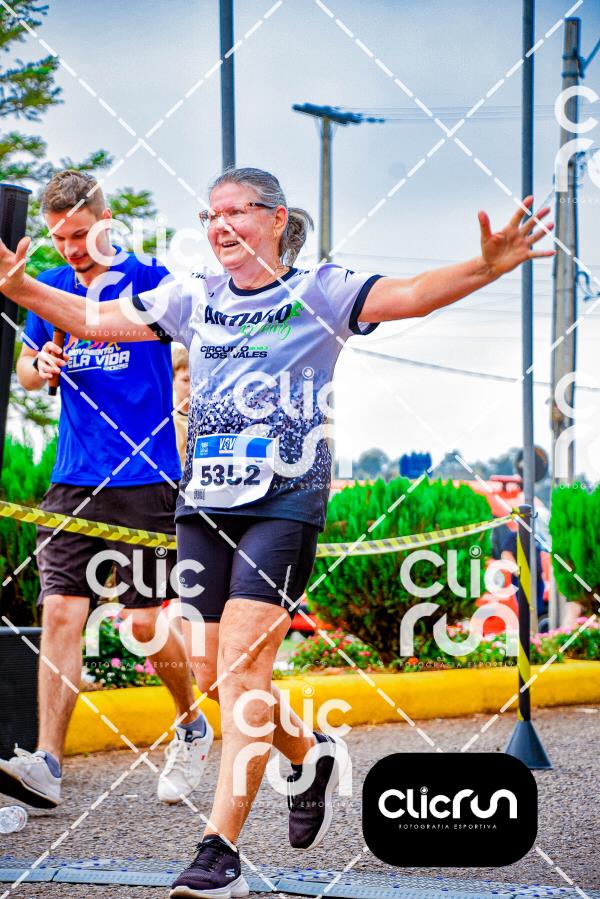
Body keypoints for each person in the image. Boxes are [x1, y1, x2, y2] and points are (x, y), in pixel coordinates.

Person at [0, 166, 554, 899]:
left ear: (275, 218)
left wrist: (485, 267)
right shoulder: (193, 295)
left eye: (236, 211)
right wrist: (21, 290)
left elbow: (413, 293)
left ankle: (219, 851)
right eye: (211, 215)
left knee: (242, 674)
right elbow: (97, 320)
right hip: (203, 509)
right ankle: (309, 750)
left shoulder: (320, 291)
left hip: (284, 505)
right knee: (213, 676)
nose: (220, 225)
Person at [0, 170, 212, 812]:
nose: (70, 249)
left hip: (147, 478)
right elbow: (26, 370)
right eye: (60, 238)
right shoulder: (50, 286)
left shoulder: (151, 281)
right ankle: (48, 764)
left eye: (80, 234)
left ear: (106, 219)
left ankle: (191, 724)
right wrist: (40, 364)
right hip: (73, 478)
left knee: (144, 624)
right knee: (62, 612)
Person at [172, 346, 190, 467]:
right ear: (173, 380)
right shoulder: (168, 421)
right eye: (185, 380)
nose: (192, 386)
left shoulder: (208, 420)